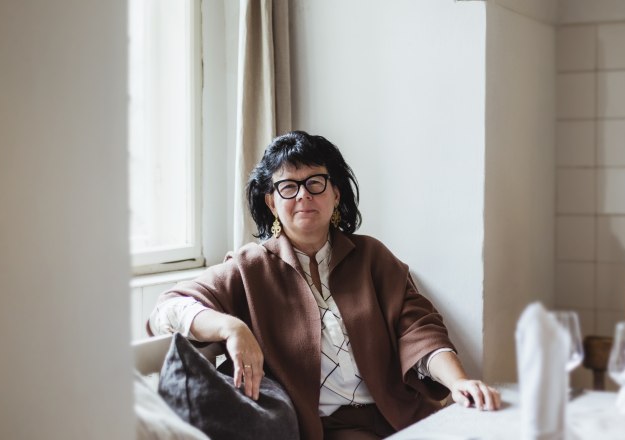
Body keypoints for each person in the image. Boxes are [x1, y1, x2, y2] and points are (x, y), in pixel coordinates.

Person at [148, 131, 500, 440]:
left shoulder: (372, 256)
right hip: (320, 429)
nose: (303, 195)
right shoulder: (249, 267)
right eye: (288, 186)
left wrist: (458, 383)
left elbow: (419, 329)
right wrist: (231, 327)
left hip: (399, 419)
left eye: (315, 182)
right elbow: (166, 309)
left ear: (335, 192)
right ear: (272, 202)